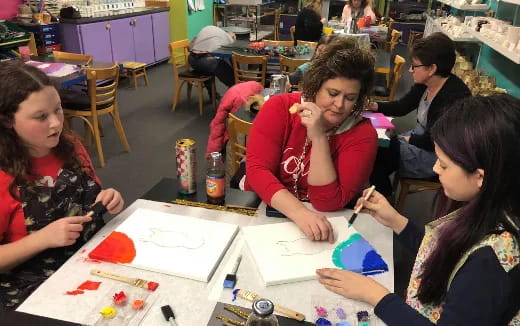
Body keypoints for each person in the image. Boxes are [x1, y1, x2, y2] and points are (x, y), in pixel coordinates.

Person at [317, 95, 520, 325]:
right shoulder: (485, 208)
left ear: (479, 176)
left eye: (443, 164)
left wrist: (375, 295)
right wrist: (396, 221)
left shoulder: (489, 266)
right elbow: (447, 251)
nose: (435, 168)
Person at [0, 60, 124, 309]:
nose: (56, 123)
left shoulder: (70, 146)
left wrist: (108, 198)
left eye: (57, 110)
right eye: (40, 117)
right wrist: (41, 239)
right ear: (7, 121)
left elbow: (92, 195)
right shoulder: (4, 175)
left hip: (91, 265)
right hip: (33, 288)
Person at [245, 40, 377, 243]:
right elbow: (257, 172)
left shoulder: (363, 135)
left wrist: (318, 137)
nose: (340, 105)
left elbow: (327, 201)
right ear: (315, 87)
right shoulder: (280, 108)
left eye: (350, 98)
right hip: (268, 212)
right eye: (332, 93)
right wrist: (300, 213)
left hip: (327, 221)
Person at [369, 32, 471, 197]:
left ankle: (384, 201)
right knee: (378, 154)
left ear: (432, 68)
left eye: (414, 66)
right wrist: (373, 106)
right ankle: (383, 197)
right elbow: (401, 107)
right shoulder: (426, 83)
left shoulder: (454, 96)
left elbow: (438, 140)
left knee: (377, 154)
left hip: (437, 155)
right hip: (419, 139)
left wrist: (406, 139)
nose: (410, 70)